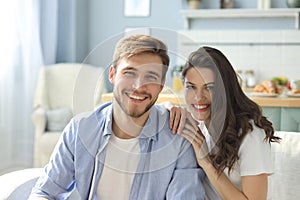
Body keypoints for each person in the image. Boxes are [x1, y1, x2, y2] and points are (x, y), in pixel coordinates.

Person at [29, 35, 205, 199]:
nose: (138, 86)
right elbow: (44, 191)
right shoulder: (80, 129)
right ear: (112, 74)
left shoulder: (178, 139)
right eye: (129, 73)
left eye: (150, 77)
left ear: (160, 86)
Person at [167, 46, 280, 200]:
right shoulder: (199, 124)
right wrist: (169, 107)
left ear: (225, 89)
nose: (198, 98)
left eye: (209, 88)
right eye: (191, 87)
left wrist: (206, 162)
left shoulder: (251, 135)